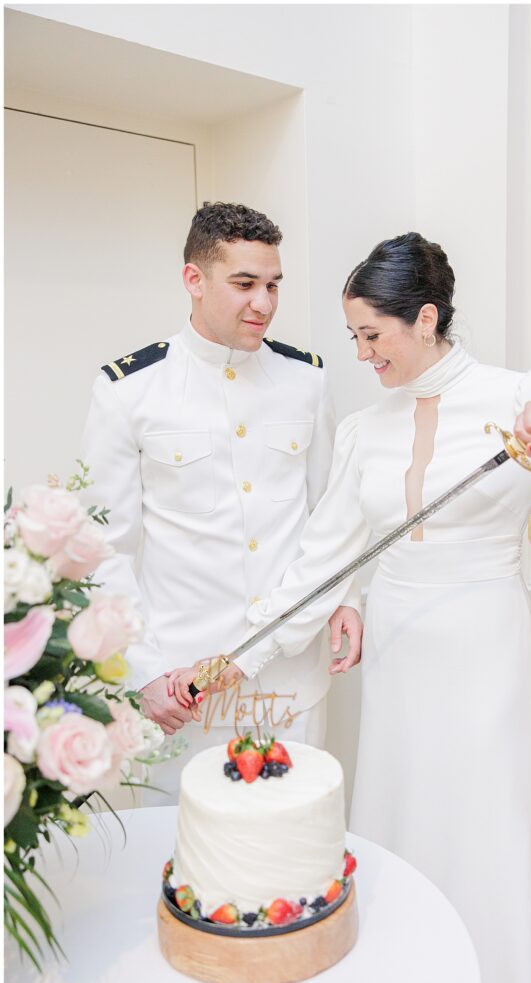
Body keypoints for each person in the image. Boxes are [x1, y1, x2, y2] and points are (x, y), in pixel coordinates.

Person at [170, 232, 531, 983]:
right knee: (400, 815)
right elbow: (320, 561)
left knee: (483, 826)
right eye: (354, 338)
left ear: (427, 317)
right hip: (401, 648)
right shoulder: (365, 430)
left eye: (373, 335)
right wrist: (235, 659)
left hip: (484, 643)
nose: (363, 354)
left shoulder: (522, 397)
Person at [80, 202, 362, 792]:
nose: (264, 303)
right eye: (244, 284)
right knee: (191, 860)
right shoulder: (129, 390)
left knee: (292, 849)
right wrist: (144, 673)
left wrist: (349, 599)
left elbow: (331, 517)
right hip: (184, 684)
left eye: (273, 285)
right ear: (194, 280)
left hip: (292, 681)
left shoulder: (307, 381)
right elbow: (102, 550)